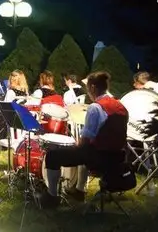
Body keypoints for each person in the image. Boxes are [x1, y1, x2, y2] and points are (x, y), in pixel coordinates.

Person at [39, 71, 129, 208]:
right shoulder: (121, 106)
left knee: (53, 156)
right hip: (118, 158)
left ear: (93, 87)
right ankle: (79, 191)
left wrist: (73, 146)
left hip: (99, 158)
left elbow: (86, 141)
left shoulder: (95, 108)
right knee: (83, 153)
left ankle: (52, 196)